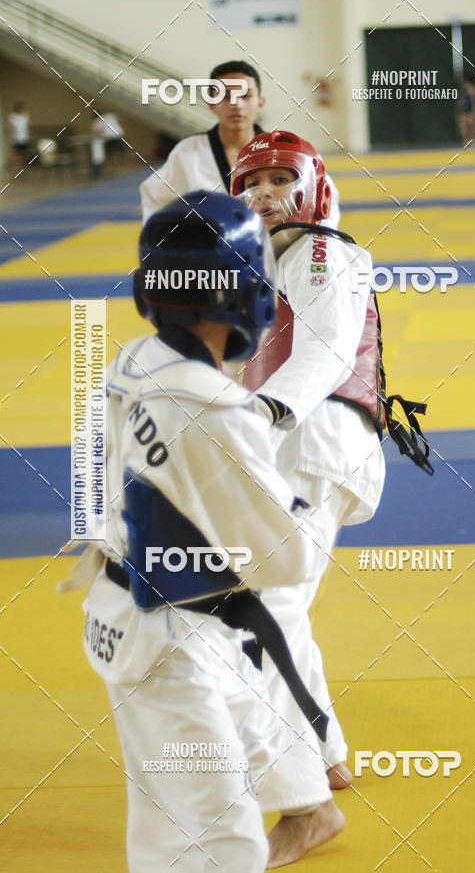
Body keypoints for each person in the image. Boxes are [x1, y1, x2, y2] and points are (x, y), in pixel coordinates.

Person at [60, 191, 343, 872]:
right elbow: (288, 555)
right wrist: (299, 503)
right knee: (213, 838)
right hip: (167, 640)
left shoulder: (133, 359)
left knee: (252, 722)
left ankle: (313, 806)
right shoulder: (212, 408)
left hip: (152, 606)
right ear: (246, 293)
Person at [231, 131, 387, 860]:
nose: (262, 194)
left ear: (315, 185)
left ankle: (305, 805)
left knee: (257, 616)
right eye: (248, 184)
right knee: (276, 609)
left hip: (312, 438)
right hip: (297, 445)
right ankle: (323, 752)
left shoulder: (323, 251)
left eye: (279, 179)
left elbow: (325, 348)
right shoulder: (274, 268)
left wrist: (267, 413)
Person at [139, 60, 340, 226]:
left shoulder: (287, 150)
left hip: (277, 260)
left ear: (260, 103)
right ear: (211, 104)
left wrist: (311, 248)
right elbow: (155, 201)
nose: (236, 104)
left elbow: (324, 200)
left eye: (245, 96)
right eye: (225, 97)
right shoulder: (188, 153)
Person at [457, 71, 475, 146]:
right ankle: (466, 142)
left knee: (473, 129)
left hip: (471, 111)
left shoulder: (472, 88)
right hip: (463, 112)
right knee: (464, 128)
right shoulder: (463, 89)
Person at [8, 101, 30, 175]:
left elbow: (26, 128)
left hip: (24, 139)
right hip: (16, 139)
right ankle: (16, 171)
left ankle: (24, 171)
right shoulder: (13, 117)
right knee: (16, 156)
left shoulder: (25, 117)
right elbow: (11, 128)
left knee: (24, 155)